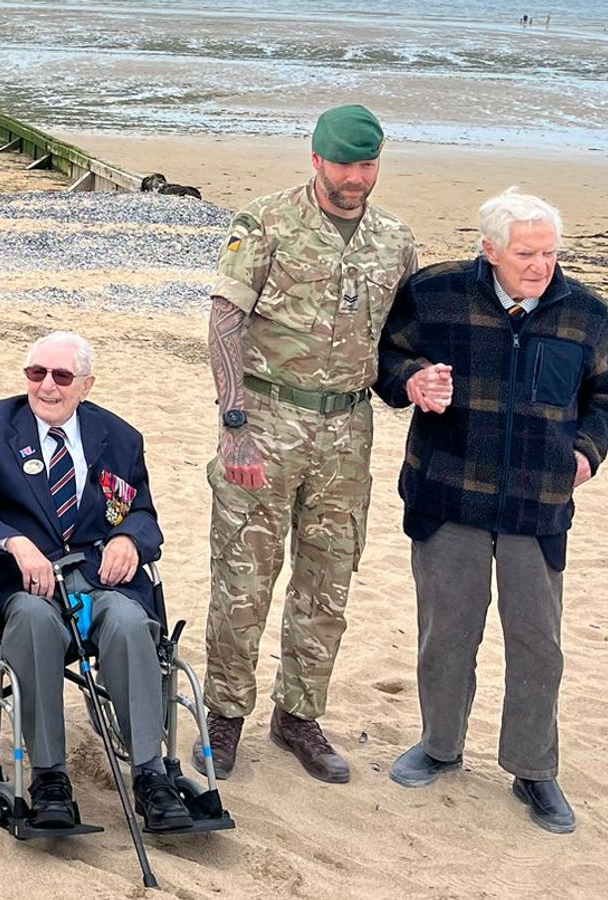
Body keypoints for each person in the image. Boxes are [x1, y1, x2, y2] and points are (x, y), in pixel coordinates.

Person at [377, 188, 608, 834]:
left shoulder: (587, 315)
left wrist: (586, 455)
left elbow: (606, 395)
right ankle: (439, 745)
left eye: (549, 253)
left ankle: (534, 769)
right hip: (447, 493)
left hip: (538, 507)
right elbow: (387, 356)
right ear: (488, 250)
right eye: (525, 254)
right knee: (447, 633)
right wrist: (411, 381)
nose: (541, 266)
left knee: (538, 645)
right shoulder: (434, 293)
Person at [198, 103, 418, 783]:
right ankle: (226, 717)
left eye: (367, 164)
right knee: (244, 579)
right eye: (345, 164)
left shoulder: (395, 240)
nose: (356, 178)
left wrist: (421, 383)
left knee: (328, 582)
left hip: (348, 430)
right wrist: (235, 427)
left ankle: (299, 717)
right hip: (266, 418)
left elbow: (404, 342)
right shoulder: (264, 223)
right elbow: (223, 324)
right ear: (316, 159)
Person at [0, 332, 193, 832]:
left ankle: (151, 775)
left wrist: (130, 543)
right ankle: (50, 777)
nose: (47, 387)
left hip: (100, 579)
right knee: (33, 621)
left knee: (128, 621)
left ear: (85, 385)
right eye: (37, 374)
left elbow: (142, 514)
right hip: (23, 582)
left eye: (61, 377)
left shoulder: (119, 437)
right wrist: (13, 542)